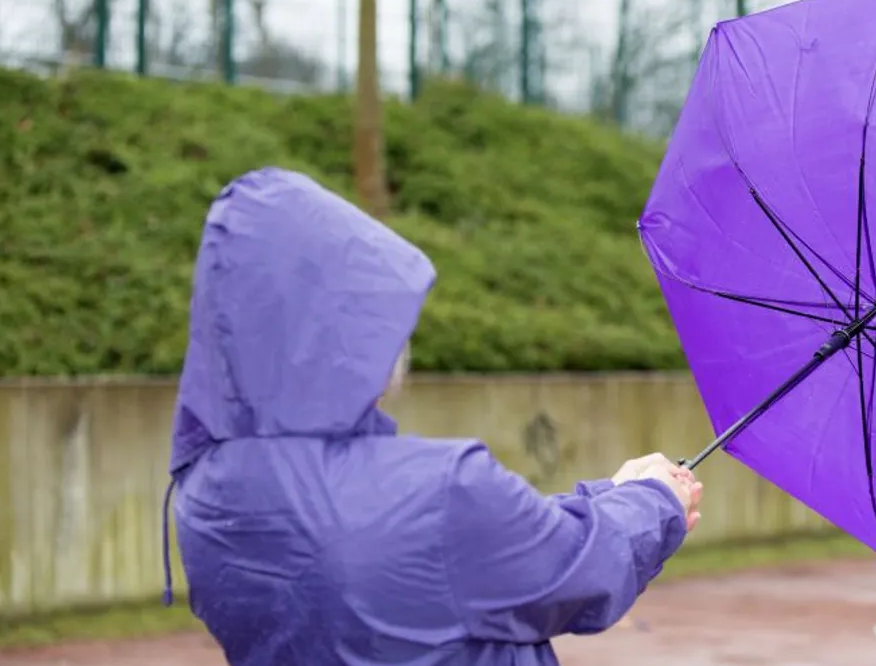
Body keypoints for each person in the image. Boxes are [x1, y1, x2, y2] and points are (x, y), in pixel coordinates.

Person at [161, 167, 704, 665]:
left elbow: (470, 552)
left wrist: (608, 496)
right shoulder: (442, 490)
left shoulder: (203, 496)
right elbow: (575, 570)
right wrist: (656, 502)